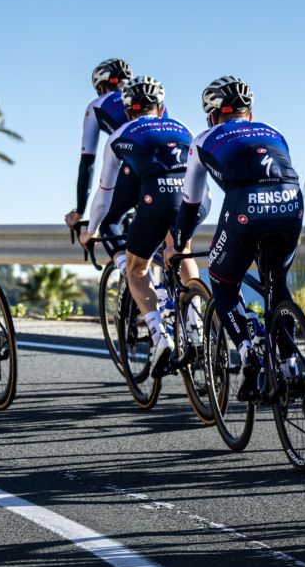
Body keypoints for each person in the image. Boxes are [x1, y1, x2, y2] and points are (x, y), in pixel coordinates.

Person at [174, 76, 303, 400]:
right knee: (277, 281)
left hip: (246, 205)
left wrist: (178, 243)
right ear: (250, 112)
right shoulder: (274, 132)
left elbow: (190, 202)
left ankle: (248, 353)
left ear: (213, 115)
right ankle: (291, 366)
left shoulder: (203, 139)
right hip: (291, 202)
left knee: (223, 280)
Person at [84, 76, 203, 376]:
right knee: (181, 249)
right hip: (196, 200)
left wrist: (90, 230)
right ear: (161, 108)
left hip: (156, 197)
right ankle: (197, 324)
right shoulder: (183, 127)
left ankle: (159, 335)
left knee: (136, 268)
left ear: (127, 112)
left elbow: (104, 196)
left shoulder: (119, 134)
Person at [64, 58, 141, 267]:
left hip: (133, 168)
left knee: (108, 220)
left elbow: (87, 162)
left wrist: (80, 211)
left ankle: (126, 269)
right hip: (172, 171)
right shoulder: (150, 104)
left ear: (101, 87)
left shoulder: (95, 106)